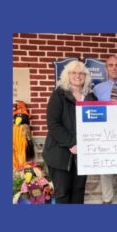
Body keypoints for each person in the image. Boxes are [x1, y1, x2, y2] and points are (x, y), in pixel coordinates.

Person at [42, 60, 97, 204]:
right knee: (63, 194)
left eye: (81, 73)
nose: (77, 76)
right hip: (60, 155)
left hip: (82, 155)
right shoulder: (58, 95)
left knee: (78, 191)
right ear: (67, 75)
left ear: (86, 77)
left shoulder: (91, 98)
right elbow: (53, 124)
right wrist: (73, 143)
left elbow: (98, 124)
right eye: (73, 72)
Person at [93, 55, 117, 204]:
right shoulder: (97, 89)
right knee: (105, 166)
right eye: (111, 65)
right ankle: (107, 198)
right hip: (104, 133)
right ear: (106, 68)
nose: (114, 68)